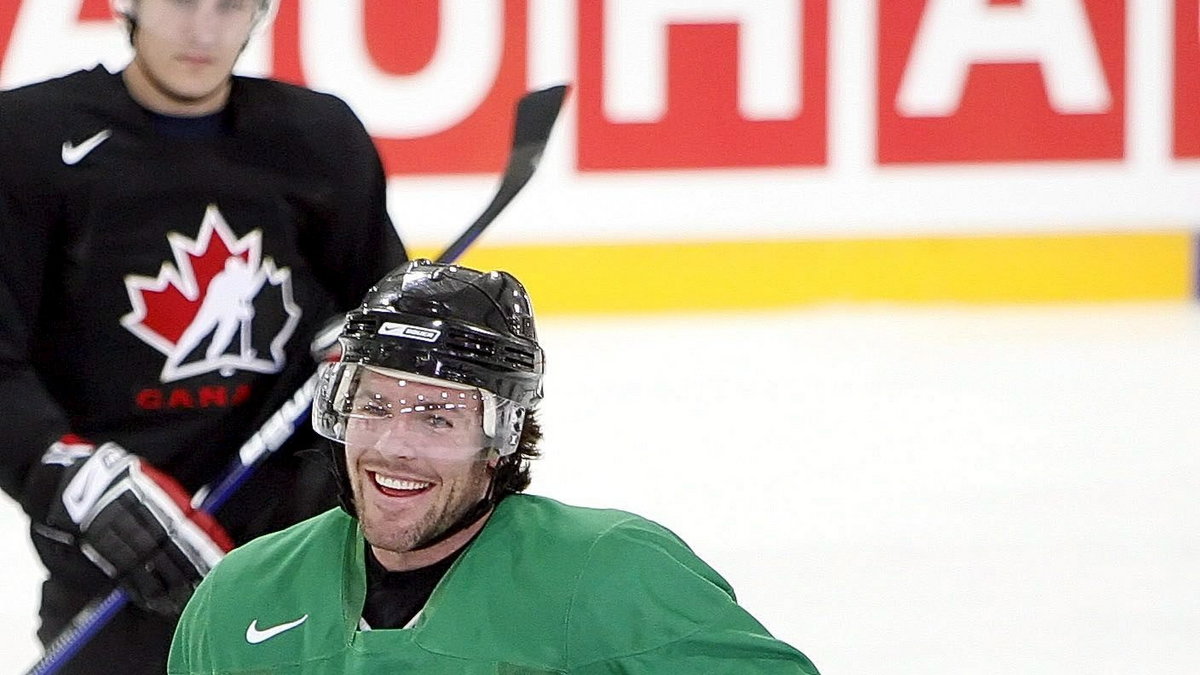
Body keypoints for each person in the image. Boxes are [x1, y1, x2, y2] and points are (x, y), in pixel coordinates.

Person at [0, 0, 406, 672]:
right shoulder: (27, 142)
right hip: (116, 566)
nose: (202, 31)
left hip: (299, 554)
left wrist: (366, 351)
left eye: (229, 5)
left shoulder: (318, 137)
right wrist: (68, 474)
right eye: (180, 2)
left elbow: (377, 311)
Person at [167, 260, 820, 674]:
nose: (395, 444)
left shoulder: (609, 576)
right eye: (374, 405)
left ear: (502, 437)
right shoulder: (241, 595)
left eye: (437, 417)